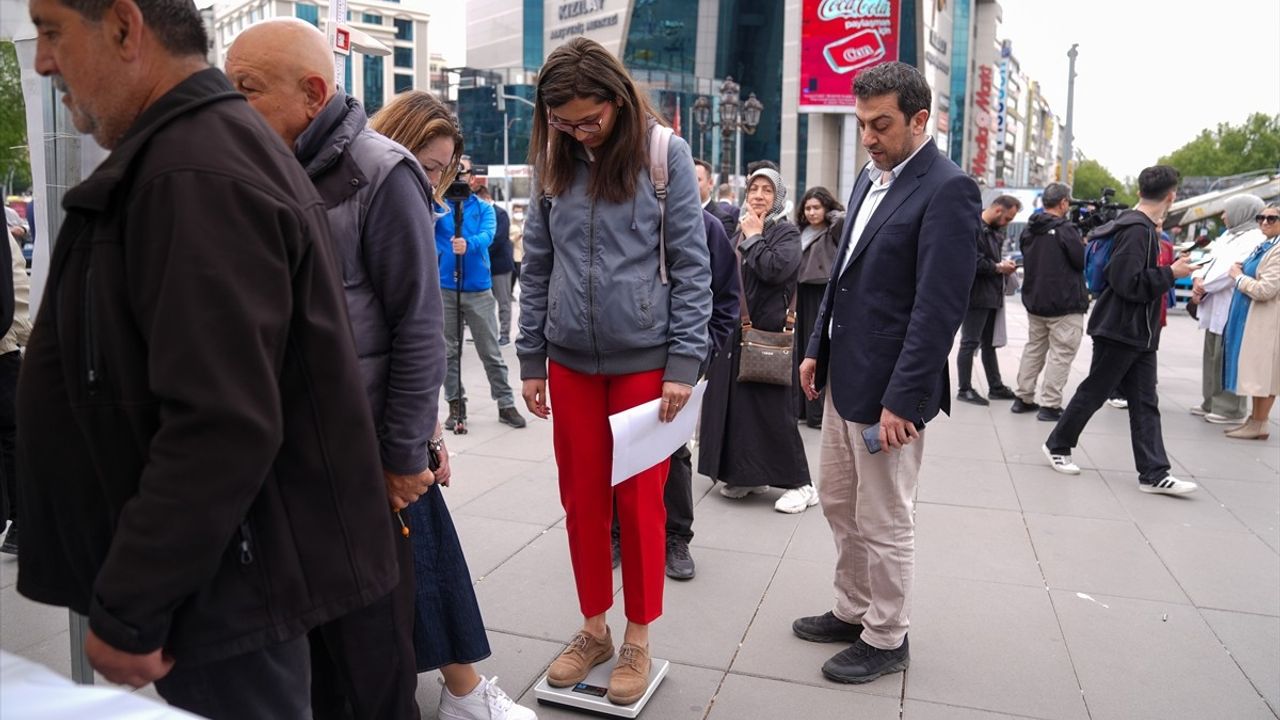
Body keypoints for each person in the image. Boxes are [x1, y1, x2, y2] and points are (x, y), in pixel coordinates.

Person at [19, 1, 401, 717]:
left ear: (126, 28)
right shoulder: (193, 154)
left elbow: (220, 422)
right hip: (228, 573)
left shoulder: (192, 169)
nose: (44, 61)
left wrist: (135, 598)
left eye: (52, 32)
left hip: (227, 585)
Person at [517, 37, 711, 706]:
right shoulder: (552, 159)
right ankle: (593, 627)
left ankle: (637, 637)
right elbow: (536, 267)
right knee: (581, 502)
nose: (576, 132)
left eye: (588, 120)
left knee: (639, 503)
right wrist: (529, 358)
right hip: (569, 359)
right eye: (562, 122)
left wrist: (683, 364)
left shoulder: (663, 155)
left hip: (646, 363)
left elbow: (691, 265)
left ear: (618, 101)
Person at [795, 61, 979, 684]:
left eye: (881, 125)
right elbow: (845, 277)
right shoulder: (870, 178)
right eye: (861, 124)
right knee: (840, 505)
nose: (868, 137)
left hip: (890, 395)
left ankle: (887, 634)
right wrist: (816, 345)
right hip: (844, 378)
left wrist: (904, 400)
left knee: (885, 517)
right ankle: (853, 609)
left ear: (919, 120)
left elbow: (938, 307)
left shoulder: (948, 188)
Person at [369, 90, 539, 720]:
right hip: (376, 419)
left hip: (386, 413)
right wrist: (419, 434)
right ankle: (462, 689)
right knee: (420, 542)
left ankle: (461, 685)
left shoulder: (420, 201)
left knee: (417, 544)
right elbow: (403, 336)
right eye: (431, 166)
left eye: (442, 170)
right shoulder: (392, 200)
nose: (435, 180)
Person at [1042, 165, 1197, 495]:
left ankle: (1154, 473)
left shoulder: (1135, 225)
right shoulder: (1137, 230)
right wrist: (1171, 272)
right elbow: (1127, 282)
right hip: (1120, 327)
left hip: (1136, 330)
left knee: (1144, 401)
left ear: (1140, 190)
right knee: (1096, 391)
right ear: (1172, 195)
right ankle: (1057, 444)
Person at [611, 206, 741, 580]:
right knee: (620, 444)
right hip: (627, 356)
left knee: (673, 450)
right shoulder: (626, 214)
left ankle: (676, 536)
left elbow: (726, 298)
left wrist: (702, 354)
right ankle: (616, 532)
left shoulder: (707, 226)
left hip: (680, 360)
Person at [698, 167, 817, 514]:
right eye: (754, 189)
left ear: (777, 196)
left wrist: (753, 238)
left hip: (767, 333)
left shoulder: (786, 233)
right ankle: (747, 474)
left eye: (767, 190)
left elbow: (777, 270)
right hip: (733, 333)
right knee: (739, 408)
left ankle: (802, 483)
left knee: (771, 409)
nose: (759, 195)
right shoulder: (736, 230)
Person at [438, 156, 526, 430]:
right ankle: (456, 405)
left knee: (490, 350)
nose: (458, 178)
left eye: (462, 172)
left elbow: (489, 235)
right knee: (449, 353)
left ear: (472, 178)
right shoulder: (438, 208)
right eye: (452, 171)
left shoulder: (485, 209)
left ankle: (505, 403)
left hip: (478, 289)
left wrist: (469, 243)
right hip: (445, 288)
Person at [1010, 183, 1087, 422]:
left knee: (1034, 349)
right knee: (1061, 354)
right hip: (1064, 304)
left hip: (1035, 300)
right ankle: (1050, 405)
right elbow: (1079, 261)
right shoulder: (1066, 230)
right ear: (1064, 203)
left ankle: (1023, 397)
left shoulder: (1030, 229)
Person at [1191, 195, 1265, 424]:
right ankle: (1211, 401)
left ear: (1242, 211)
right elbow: (1207, 260)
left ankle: (1230, 409)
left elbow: (1231, 272)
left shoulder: (1255, 238)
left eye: (1227, 211)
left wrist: (1204, 286)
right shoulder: (1228, 235)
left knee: (1228, 356)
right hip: (1213, 301)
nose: (1223, 216)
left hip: (1231, 301)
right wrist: (1197, 278)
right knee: (1212, 353)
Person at [1220, 204, 1280, 440]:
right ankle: (1254, 420)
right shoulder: (1267, 244)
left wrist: (1238, 277)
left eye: (1272, 219)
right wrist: (1242, 267)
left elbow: (1266, 289)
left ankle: (1260, 423)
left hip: (1268, 321)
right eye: (1260, 218)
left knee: (1265, 373)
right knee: (1258, 372)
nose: (1265, 222)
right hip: (1255, 318)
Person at [956, 195, 1021, 405]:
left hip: (990, 294)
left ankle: (995, 386)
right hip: (976, 296)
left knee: (989, 344)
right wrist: (998, 267)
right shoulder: (973, 228)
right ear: (998, 210)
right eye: (1008, 218)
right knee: (969, 343)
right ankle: (964, 389)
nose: (1007, 223)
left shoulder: (992, 231)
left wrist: (999, 265)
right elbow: (970, 262)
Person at [794, 186, 845, 428]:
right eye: (808, 207)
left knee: (816, 351)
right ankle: (802, 409)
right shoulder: (800, 231)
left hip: (821, 291)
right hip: (800, 293)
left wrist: (831, 212)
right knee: (800, 350)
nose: (812, 212)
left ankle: (816, 413)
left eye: (817, 207)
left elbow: (844, 218)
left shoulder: (832, 230)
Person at [0, 208, 26, 556]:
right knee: (11, 434)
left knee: (11, 433)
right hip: (5, 346)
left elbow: (16, 289)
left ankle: (22, 521)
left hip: (3, 347)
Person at [478, 186, 516, 346]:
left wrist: (479, 250)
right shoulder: (479, 213)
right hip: (484, 266)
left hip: (500, 266)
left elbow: (498, 239)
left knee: (503, 301)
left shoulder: (500, 213)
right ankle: (488, 334)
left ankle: (505, 334)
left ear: (486, 197)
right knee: (485, 303)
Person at [695, 159, 736, 239]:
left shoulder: (723, 220)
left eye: (698, 179)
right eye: (688, 179)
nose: (692, 183)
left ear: (710, 183)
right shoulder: (677, 214)